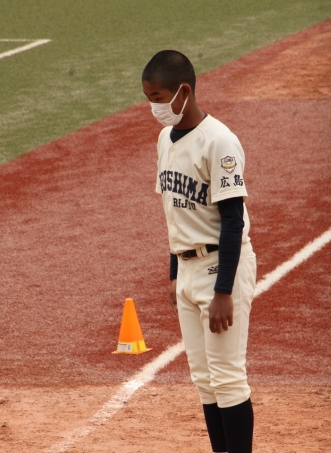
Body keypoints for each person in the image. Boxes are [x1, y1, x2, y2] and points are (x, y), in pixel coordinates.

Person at [142, 50, 257, 453]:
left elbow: (233, 220)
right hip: (189, 269)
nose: (153, 107)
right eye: (149, 99)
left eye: (158, 98)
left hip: (221, 268)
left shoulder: (219, 142)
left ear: (184, 92)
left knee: (227, 378)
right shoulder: (165, 140)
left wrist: (223, 291)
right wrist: (175, 273)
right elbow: (176, 213)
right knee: (204, 379)